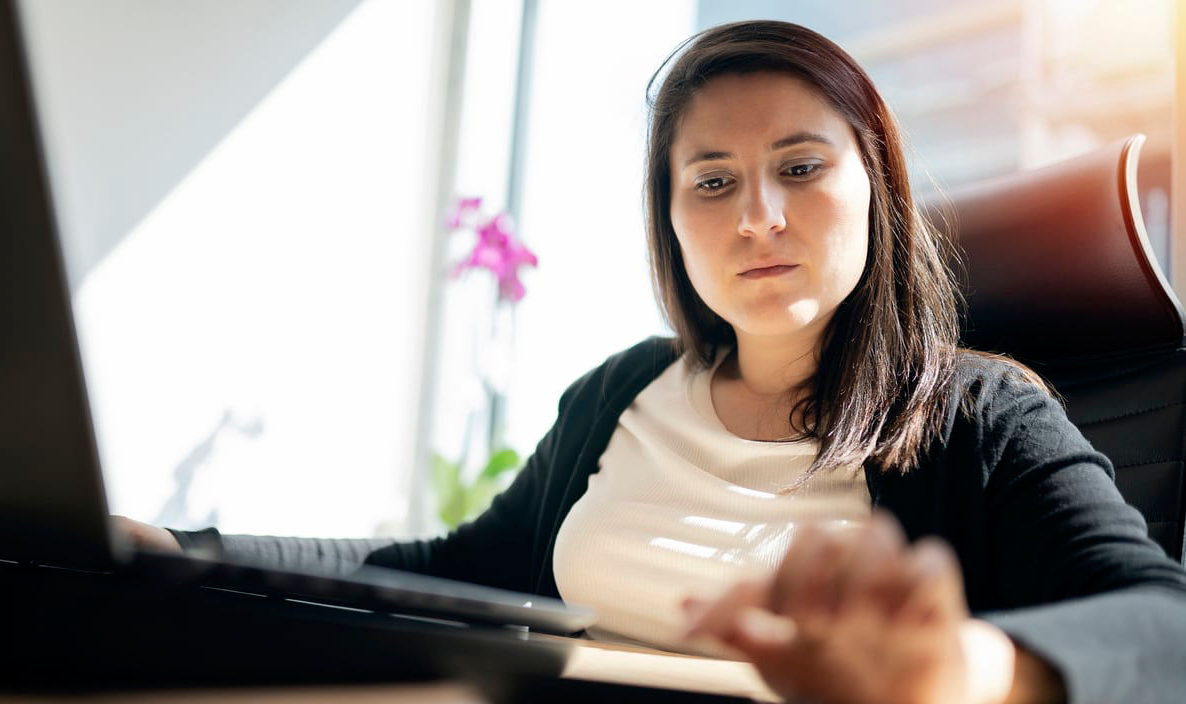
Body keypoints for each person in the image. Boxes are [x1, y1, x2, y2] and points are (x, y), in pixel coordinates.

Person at [116, 20, 1186, 704]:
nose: (757, 216)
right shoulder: (620, 390)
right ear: (669, 220)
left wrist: (960, 670)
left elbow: (1162, 626)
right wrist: (178, 547)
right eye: (710, 182)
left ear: (877, 188)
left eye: (800, 166)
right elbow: (447, 568)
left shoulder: (977, 414)